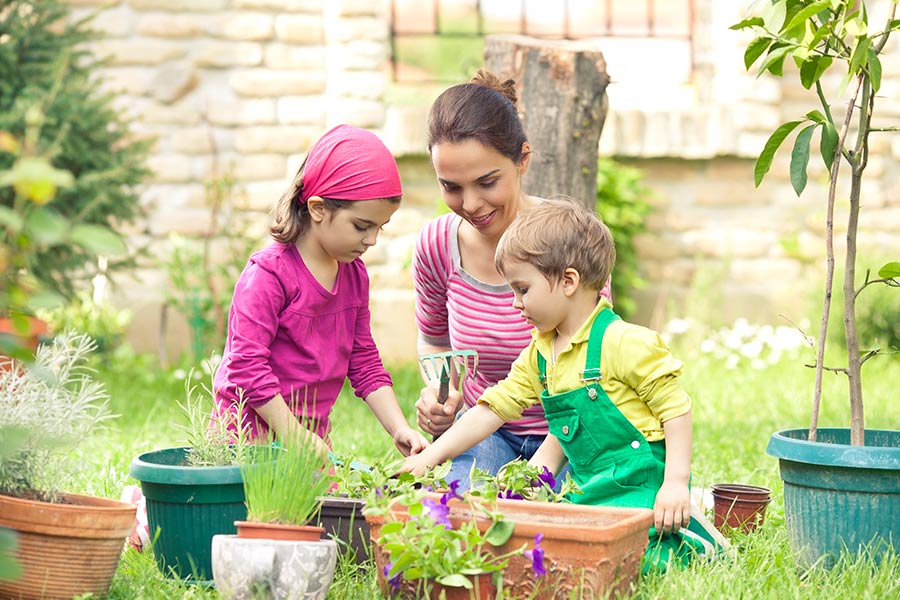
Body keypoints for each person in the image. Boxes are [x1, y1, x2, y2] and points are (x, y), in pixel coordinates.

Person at [404, 199, 725, 570]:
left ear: (568, 281)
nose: (514, 304)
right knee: (561, 554)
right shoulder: (540, 354)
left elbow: (676, 409)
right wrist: (429, 459)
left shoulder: (624, 342)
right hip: (589, 488)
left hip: (641, 484)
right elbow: (492, 411)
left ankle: (695, 530)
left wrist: (675, 483)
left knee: (638, 562)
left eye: (522, 289)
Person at [413, 69, 611, 489]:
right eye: (451, 186)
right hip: (486, 429)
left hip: (571, 434)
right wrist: (441, 394)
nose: (470, 204)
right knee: (459, 511)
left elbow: (596, 367)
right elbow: (434, 339)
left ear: (523, 159)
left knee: (564, 516)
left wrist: (534, 478)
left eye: (487, 182)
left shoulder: (568, 241)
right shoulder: (436, 245)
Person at [213, 124, 428, 457]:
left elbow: (364, 360)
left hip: (307, 443)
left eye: (379, 228)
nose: (372, 240)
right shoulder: (268, 276)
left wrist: (399, 427)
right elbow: (246, 368)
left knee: (331, 510)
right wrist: (293, 435)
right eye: (361, 226)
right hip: (245, 441)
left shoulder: (354, 275)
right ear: (317, 209)